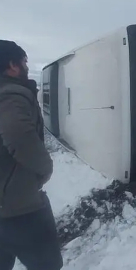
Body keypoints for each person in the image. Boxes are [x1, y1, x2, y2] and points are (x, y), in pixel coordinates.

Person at [0, 40, 63, 270]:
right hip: (20, 207)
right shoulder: (11, 94)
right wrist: (45, 167)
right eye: (25, 61)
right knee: (48, 265)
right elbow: (18, 134)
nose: (27, 66)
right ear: (12, 65)